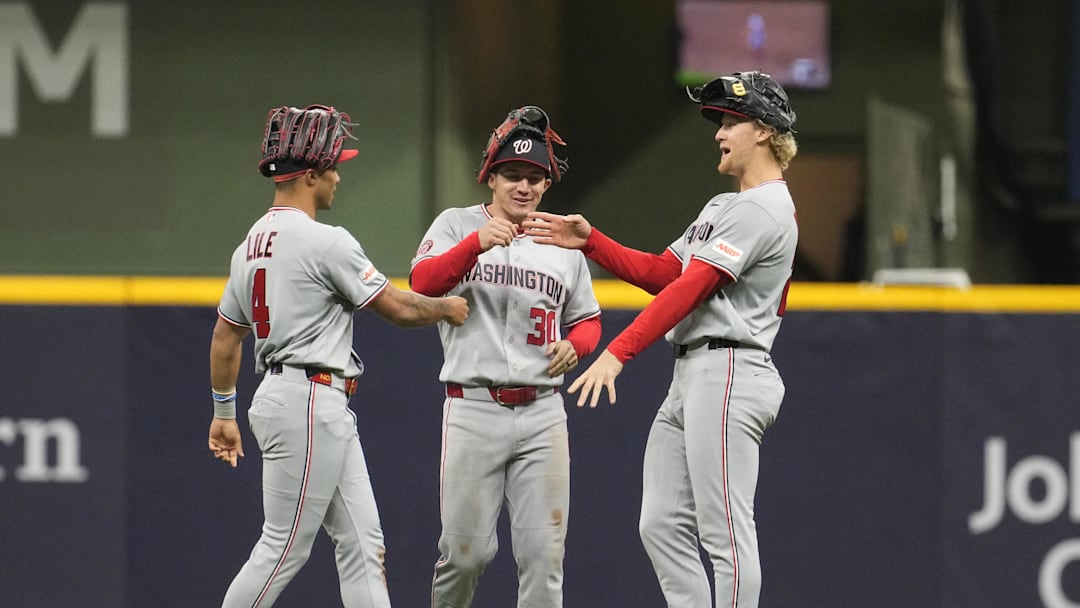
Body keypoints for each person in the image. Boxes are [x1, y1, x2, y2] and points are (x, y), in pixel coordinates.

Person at [523, 71, 799, 608]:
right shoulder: (726, 206)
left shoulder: (765, 207)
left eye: (731, 121)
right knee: (661, 524)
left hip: (730, 370)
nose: (719, 131)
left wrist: (619, 352)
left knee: (724, 532)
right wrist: (592, 242)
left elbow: (694, 288)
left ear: (764, 131)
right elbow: (665, 272)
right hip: (696, 372)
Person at [208, 103, 469, 608]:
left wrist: (223, 413)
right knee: (283, 548)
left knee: (362, 543)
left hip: (301, 397)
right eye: (333, 167)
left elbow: (225, 336)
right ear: (309, 176)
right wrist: (446, 307)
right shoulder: (324, 241)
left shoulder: (249, 246)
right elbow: (396, 307)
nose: (338, 178)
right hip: (307, 399)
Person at [409, 105, 602, 608]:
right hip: (474, 406)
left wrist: (576, 345)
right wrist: (474, 244)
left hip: (542, 412)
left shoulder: (559, 240)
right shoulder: (456, 224)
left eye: (535, 178)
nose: (525, 187)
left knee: (544, 557)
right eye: (513, 175)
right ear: (491, 176)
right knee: (465, 554)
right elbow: (422, 284)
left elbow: (588, 320)